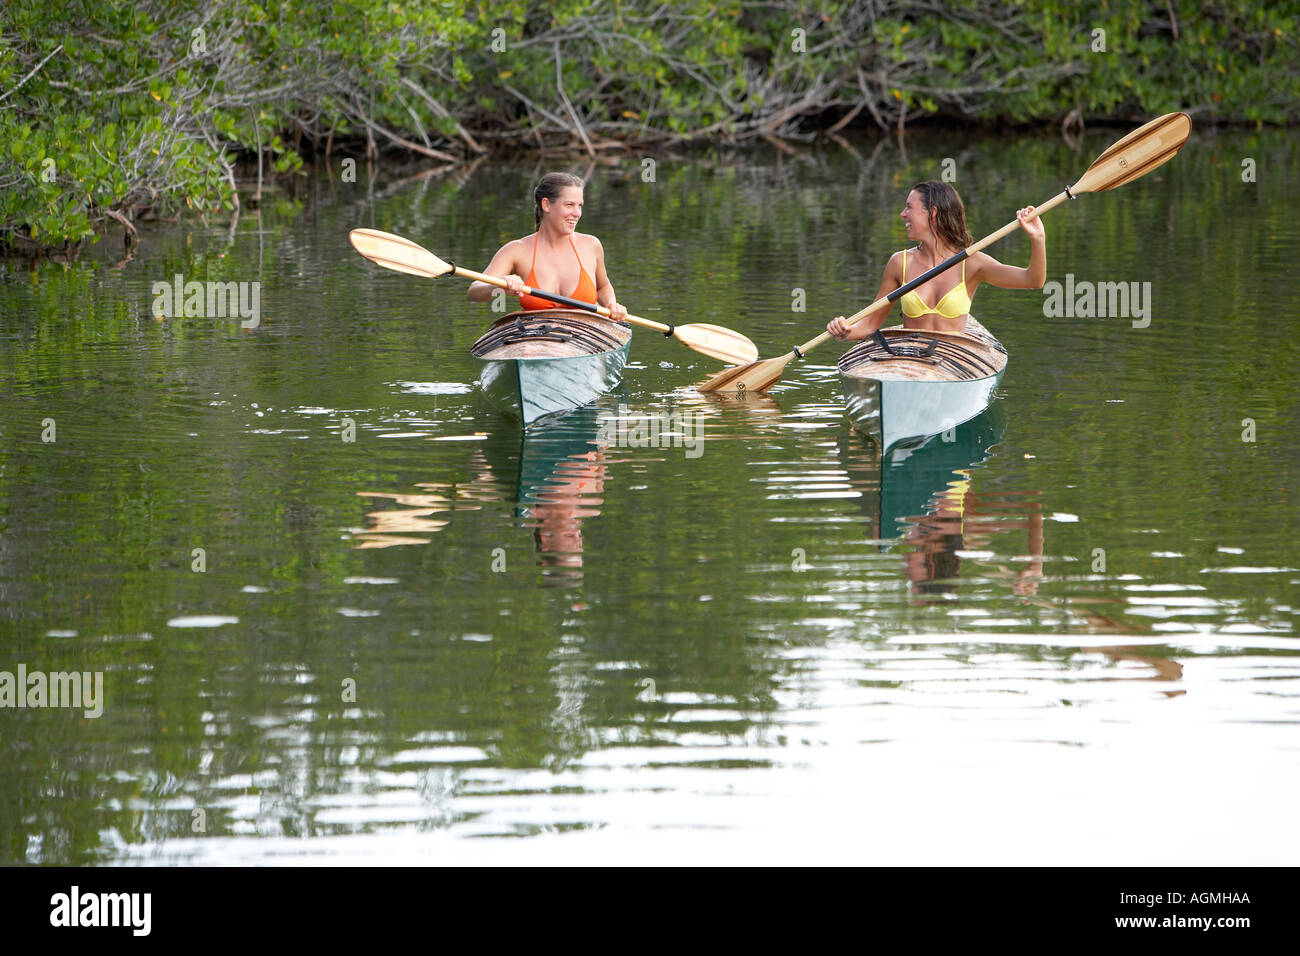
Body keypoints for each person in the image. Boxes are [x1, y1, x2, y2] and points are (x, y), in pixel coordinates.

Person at [827, 181, 1044, 340]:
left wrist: (1037, 239)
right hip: (909, 358)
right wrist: (846, 330)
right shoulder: (899, 263)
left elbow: (1032, 280)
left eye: (909, 207)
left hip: (953, 362)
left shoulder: (971, 263)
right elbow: (869, 325)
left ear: (931, 212)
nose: (903, 214)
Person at [467, 172, 628, 321]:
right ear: (546, 205)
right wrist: (499, 284)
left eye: (580, 206)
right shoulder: (515, 250)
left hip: (585, 335)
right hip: (536, 337)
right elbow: (474, 292)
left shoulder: (591, 245)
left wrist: (611, 305)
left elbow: (603, 286)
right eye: (570, 205)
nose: (577, 213)